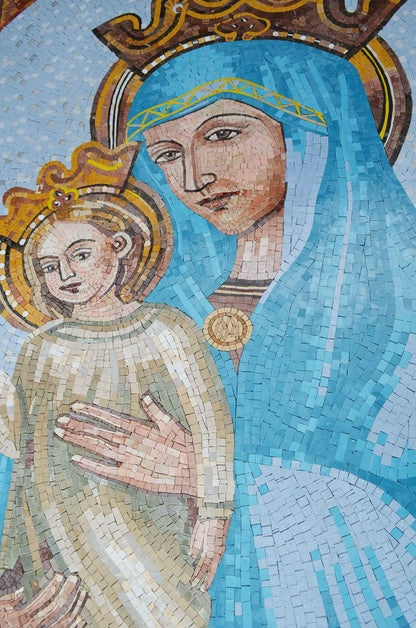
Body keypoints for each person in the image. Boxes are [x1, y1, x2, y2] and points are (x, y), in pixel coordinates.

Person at [61, 38, 416, 626]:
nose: (195, 176)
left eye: (223, 135)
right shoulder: (155, 309)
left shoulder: (401, 293)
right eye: (167, 154)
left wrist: (209, 477)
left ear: (305, 135)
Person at [0, 142, 234, 627]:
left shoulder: (168, 330)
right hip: (66, 531)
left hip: (154, 527)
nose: (66, 275)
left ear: (121, 246)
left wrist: (214, 514)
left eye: (81, 255)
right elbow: (27, 460)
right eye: (49, 266)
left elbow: (211, 427)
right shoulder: (41, 349)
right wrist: (12, 568)